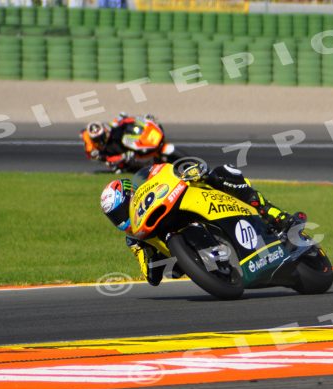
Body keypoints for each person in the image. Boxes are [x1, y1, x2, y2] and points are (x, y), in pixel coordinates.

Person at [100, 163, 306, 286]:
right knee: (171, 271)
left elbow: (174, 170)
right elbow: (151, 277)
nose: (121, 218)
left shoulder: (148, 190)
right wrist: (150, 257)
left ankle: (280, 218)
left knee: (225, 173)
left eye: (121, 211)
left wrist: (192, 172)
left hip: (206, 202)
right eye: (115, 217)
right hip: (186, 257)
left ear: (132, 196)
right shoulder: (134, 240)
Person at [80, 112, 163, 172]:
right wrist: (123, 156)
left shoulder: (107, 128)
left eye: (102, 134)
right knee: (119, 165)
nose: (102, 137)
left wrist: (121, 117)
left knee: (126, 122)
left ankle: (147, 121)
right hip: (117, 154)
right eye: (99, 137)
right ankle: (146, 167)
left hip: (122, 138)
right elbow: (108, 158)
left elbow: (118, 122)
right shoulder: (96, 150)